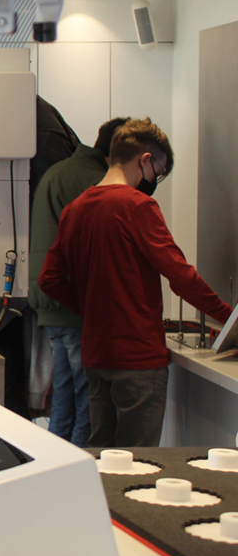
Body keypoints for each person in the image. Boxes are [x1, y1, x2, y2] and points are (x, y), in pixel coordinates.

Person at [39, 118, 233, 448]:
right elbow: (180, 276)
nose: (156, 178)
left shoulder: (76, 209)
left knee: (103, 454)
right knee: (140, 460)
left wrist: (91, 308)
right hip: (138, 357)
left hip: (97, 355)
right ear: (145, 160)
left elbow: (49, 279)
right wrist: (229, 319)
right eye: (159, 170)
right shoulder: (138, 206)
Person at [28, 117, 128, 446]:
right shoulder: (93, 180)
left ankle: (55, 466)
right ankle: (81, 467)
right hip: (74, 304)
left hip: (51, 303)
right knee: (89, 402)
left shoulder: (60, 171)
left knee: (64, 400)